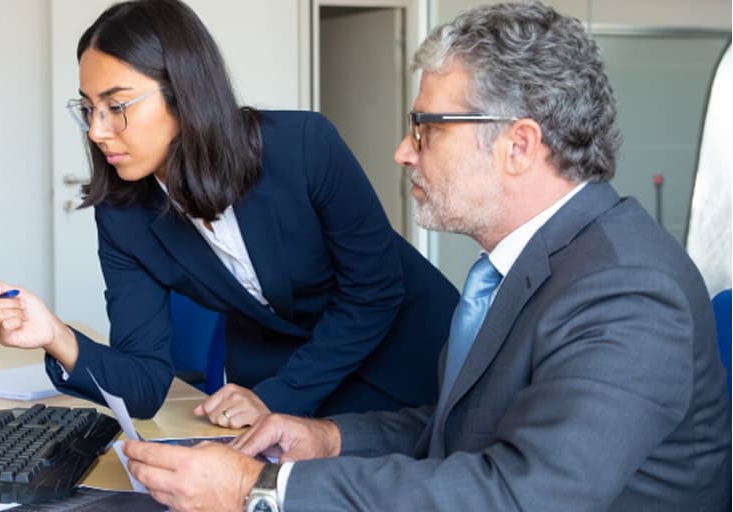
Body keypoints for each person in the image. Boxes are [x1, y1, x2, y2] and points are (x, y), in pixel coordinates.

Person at [121, 3, 732, 510]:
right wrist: (327, 438)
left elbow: (524, 495)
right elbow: (460, 432)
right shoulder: (526, 265)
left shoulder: (626, 289)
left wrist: (260, 490)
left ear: (518, 145)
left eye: (427, 129)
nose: (403, 152)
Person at [0, 0, 458, 424]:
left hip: (409, 357)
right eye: (87, 109)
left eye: (116, 107)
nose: (96, 131)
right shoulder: (124, 216)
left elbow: (374, 294)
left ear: (183, 93)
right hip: (285, 382)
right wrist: (56, 336)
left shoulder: (304, 147)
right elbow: (144, 384)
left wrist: (277, 397)